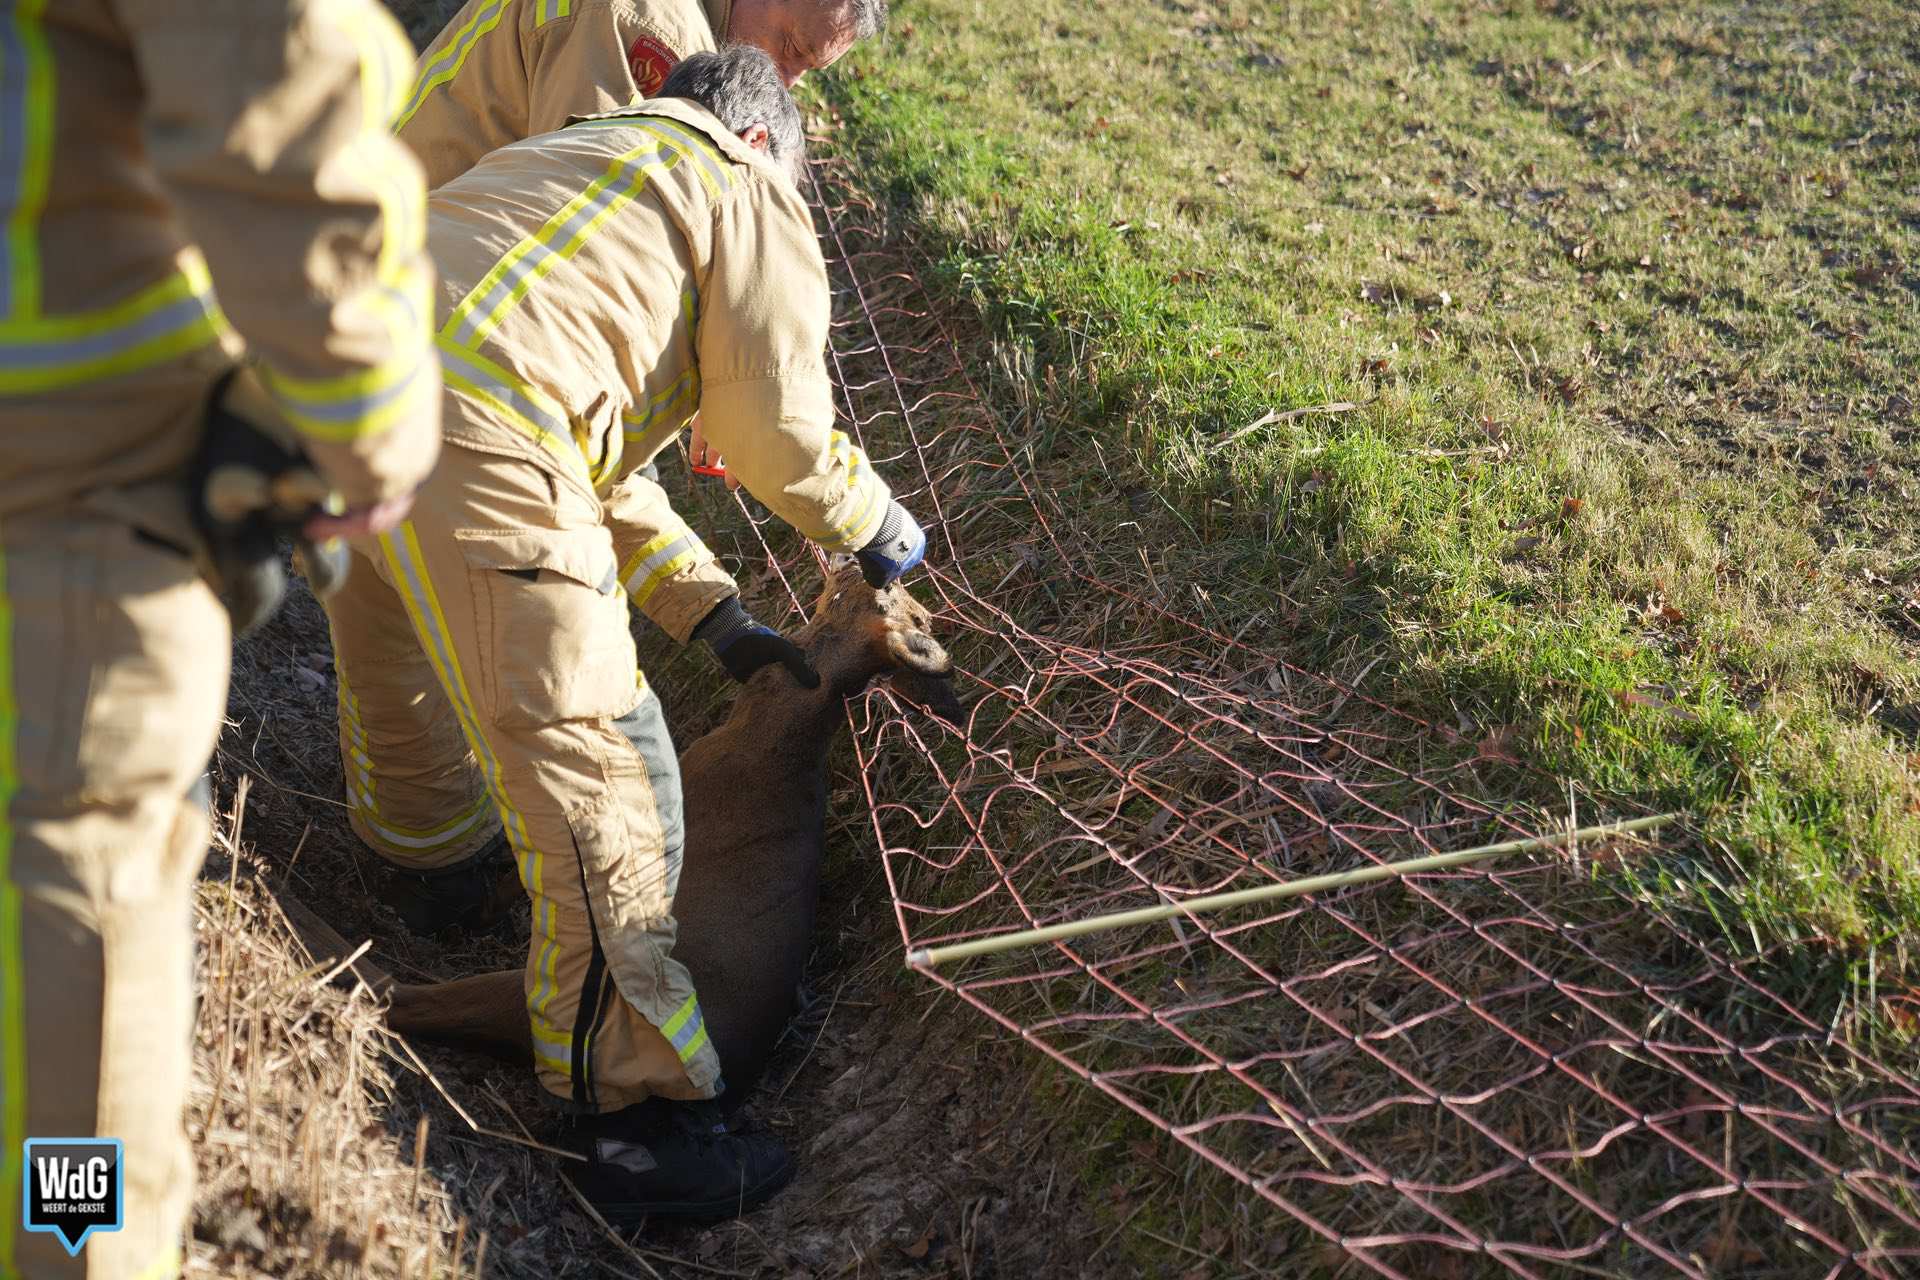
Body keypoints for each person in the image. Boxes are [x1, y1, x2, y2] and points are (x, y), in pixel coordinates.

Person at [320, 44, 926, 1219]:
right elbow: (780, 433)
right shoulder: (742, 184)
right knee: (610, 780)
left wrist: (719, 613)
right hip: (479, 419)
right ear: (761, 141)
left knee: (414, 667)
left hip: (357, 386)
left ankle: (421, 866)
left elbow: (582, 452)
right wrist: (879, 523)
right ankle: (640, 1126)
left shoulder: (577, 166)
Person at [0, 0, 442, 1273]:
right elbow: (278, 97)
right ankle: (69, 1242)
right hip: (62, 509)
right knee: (72, 1003)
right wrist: (372, 423)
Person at [396, 0, 889, 189]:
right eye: (789, 48)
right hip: (398, 262)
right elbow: (592, 226)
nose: (784, 82)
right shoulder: (653, 31)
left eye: (808, 69)